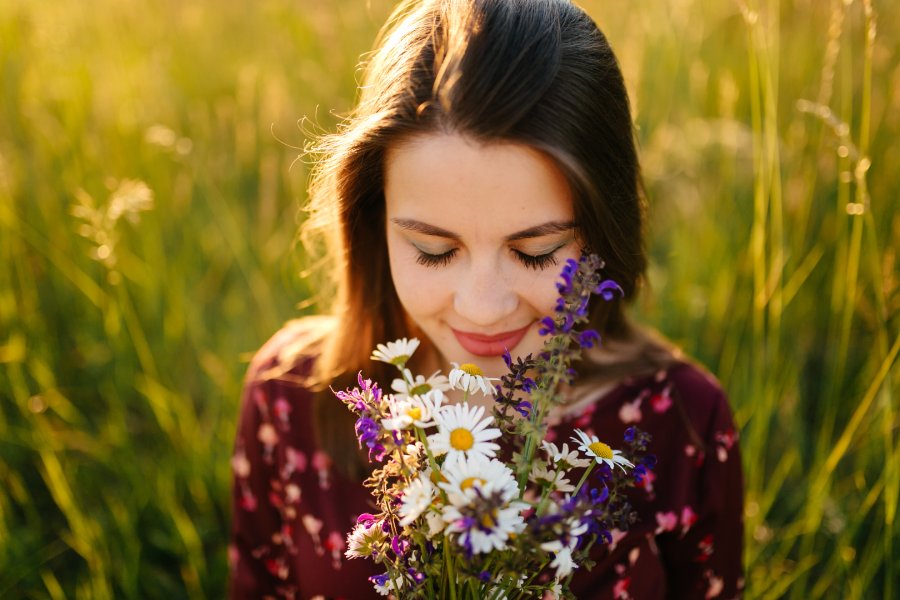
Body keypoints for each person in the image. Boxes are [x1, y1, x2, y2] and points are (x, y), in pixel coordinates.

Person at [228, 0, 744, 597]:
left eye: (535, 252)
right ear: (373, 220)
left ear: (605, 230)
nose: (482, 307)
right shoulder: (292, 397)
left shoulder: (681, 422)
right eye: (433, 250)